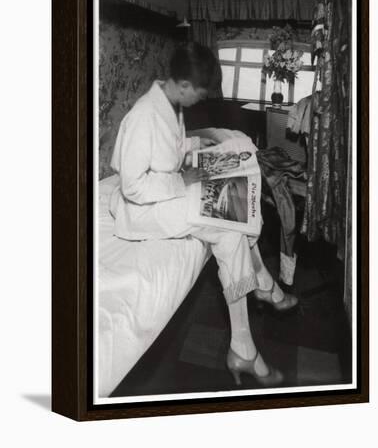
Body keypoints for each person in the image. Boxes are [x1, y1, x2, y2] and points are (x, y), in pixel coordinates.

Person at [109, 42, 297, 387]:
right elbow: (133, 187)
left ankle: (245, 340)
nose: (201, 100)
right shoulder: (142, 116)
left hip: (167, 192)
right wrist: (182, 181)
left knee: (234, 203)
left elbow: (168, 150)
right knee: (228, 226)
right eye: (199, 93)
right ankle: (255, 307)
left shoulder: (170, 103)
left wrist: (197, 147)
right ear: (182, 85)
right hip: (144, 210)